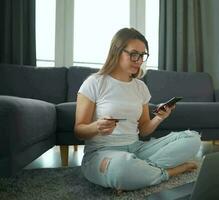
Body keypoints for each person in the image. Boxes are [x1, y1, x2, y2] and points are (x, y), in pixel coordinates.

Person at [74, 28, 201, 191]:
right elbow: (79, 131)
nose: (139, 60)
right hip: (101, 152)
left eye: (142, 55)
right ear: (117, 52)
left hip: (137, 148)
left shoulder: (140, 87)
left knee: (192, 138)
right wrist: (96, 126)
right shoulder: (94, 83)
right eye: (134, 54)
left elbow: (144, 130)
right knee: (121, 167)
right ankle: (168, 172)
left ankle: (138, 171)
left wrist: (160, 117)